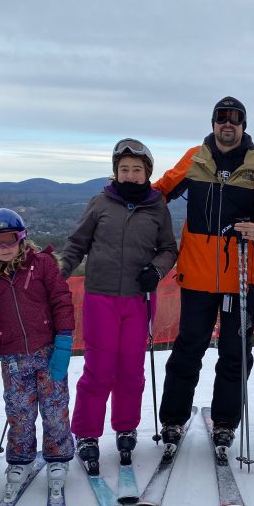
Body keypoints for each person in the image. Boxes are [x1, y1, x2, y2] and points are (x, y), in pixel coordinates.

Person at [153, 96, 254, 452]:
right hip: (196, 276)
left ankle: (225, 422)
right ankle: (173, 420)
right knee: (188, 350)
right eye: (221, 119)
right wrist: (127, 205)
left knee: (235, 353)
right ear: (212, 124)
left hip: (240, 277)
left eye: (235, 119)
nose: (228, 125)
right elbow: (160, 191)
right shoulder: (196, 158)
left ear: (243, 125)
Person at [58, 138, 178, 472]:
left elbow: (169, 248)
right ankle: (86, 434)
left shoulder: (158, 207)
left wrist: (156, 270)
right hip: (100, 298)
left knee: (131, 370)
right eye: (123, 169)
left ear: (147, 174)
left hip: (138, 300)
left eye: (136, 170)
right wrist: (58, 274)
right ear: (115, 172)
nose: (129, 175)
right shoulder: (100, 203)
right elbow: (77, 243)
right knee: (98, 369)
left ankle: (126, 428)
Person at [0, 208, 76, 499]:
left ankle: (57, 457)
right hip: (13, 357)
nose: (5, 248)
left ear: (22, 239)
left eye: (11, 240)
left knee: (55, 408)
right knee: (19, 412)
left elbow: (61, 299)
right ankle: (20, 459)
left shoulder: (42, 264)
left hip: (48, 351)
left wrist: (65, 339)